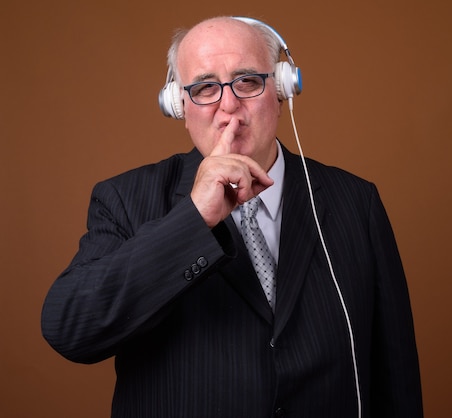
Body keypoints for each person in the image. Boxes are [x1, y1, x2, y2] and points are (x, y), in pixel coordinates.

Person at [41, 16, 423, 418]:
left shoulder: (355, 202)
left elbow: (395, 378)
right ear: (179, 107)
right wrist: (194, 220)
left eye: (247, 81)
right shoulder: (124, 199)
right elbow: (70, 328)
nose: (228, 106)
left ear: (281, 90)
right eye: (205, 87)